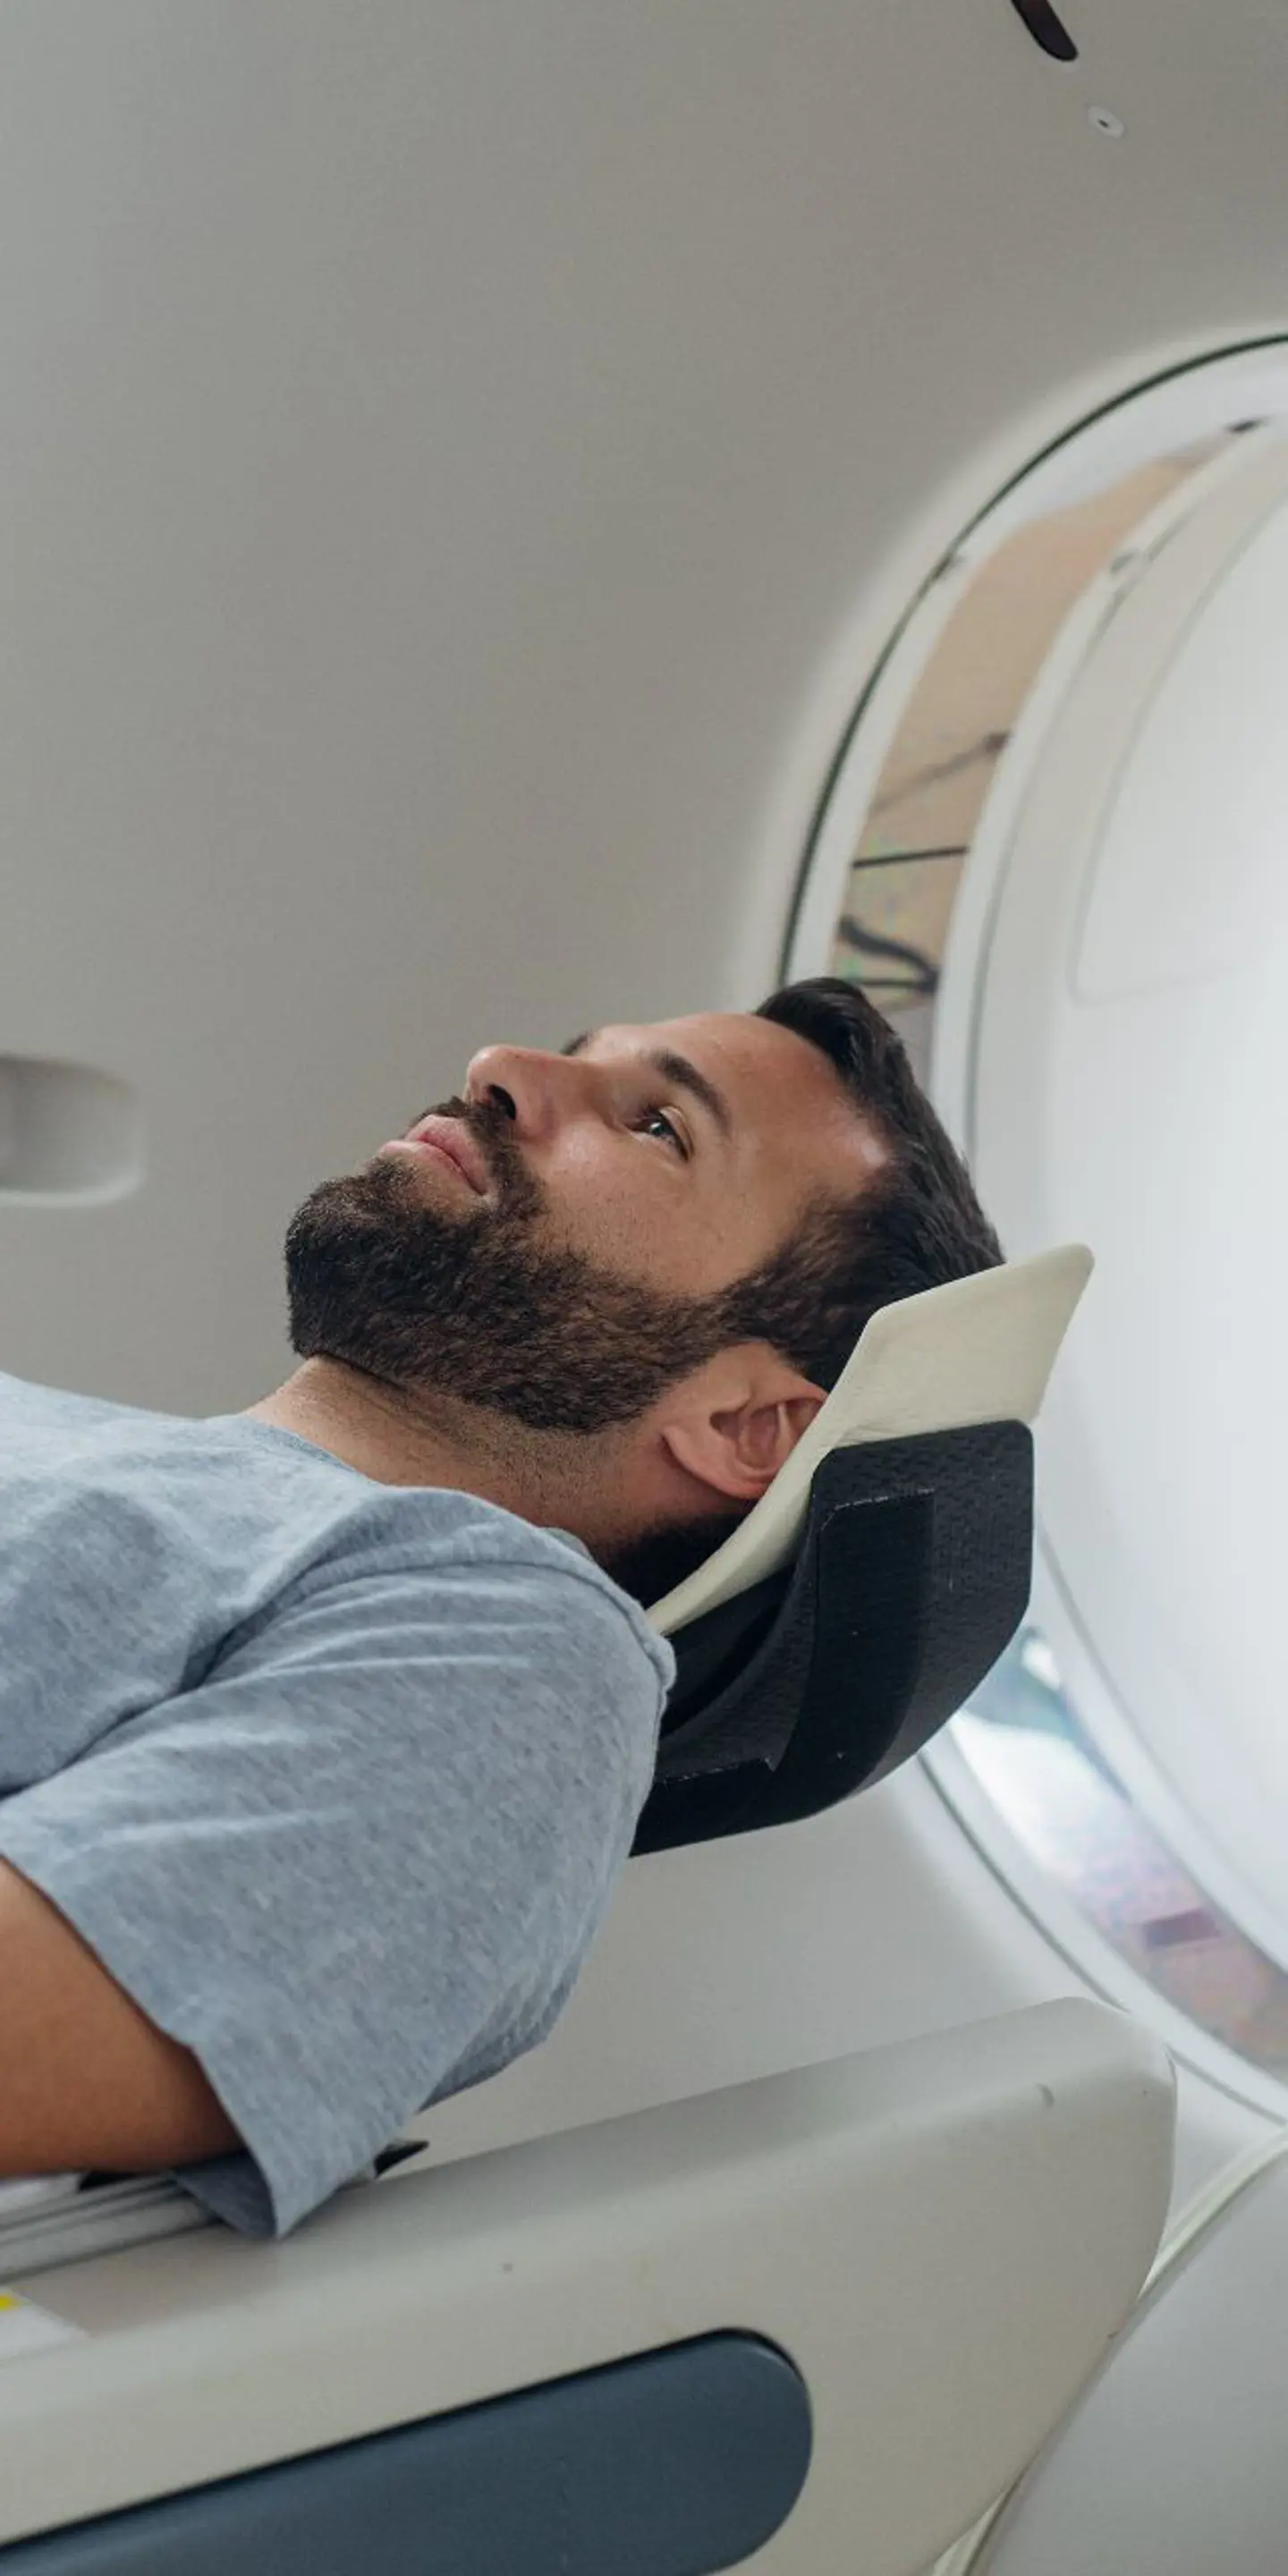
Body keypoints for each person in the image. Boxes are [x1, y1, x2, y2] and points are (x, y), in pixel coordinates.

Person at [0, 978, 1001, 2238]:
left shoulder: (515, 1653)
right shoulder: (80, 1440)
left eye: (657, 1126)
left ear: (747, 1422)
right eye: (586, 1058)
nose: (499, 1065)